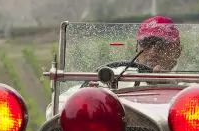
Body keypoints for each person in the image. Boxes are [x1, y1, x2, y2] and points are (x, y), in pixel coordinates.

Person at [45, 16, 183, 119]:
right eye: (146, 43)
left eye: (161, 44)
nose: (153, 51)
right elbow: (55, 110)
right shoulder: (115, 77)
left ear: (177, 50)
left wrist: (173, 89)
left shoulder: (192, 87)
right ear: (137, 48)